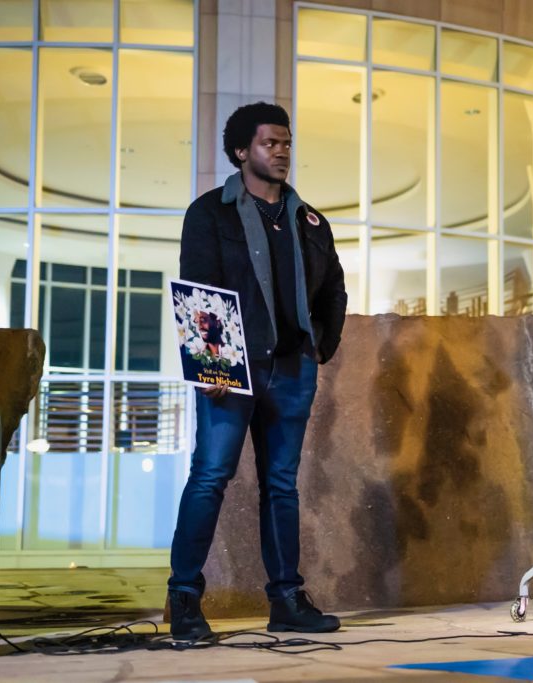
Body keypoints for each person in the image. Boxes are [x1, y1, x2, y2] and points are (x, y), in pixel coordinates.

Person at [168, 102, 347, 640]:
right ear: (242, 151)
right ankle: (183, 600)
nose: (282, 152)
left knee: (281, 487)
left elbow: (334, 289)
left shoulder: (309, 218)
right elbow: (200, 293)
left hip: (292, 369)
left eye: (287, 143)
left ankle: (287, 599)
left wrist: (321, 346)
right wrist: (211, 367)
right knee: (210, 478)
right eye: (271, 143)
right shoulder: (210, 212)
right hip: (232, 370)